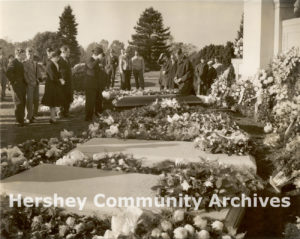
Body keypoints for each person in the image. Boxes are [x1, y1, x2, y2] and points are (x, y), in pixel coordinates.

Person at [41, 49, 64, 124]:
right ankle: (52, 118)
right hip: (51, 85)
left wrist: (60, 78)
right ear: (52, 57)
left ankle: (53, 118)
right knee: (52, 103)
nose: (58, 58)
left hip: (54, 84)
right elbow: (52, 76)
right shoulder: (50, 64)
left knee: (53, 102)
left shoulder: (55, 63)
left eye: (58, 57)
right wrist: (60, 81)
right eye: (57, 57)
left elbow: (58, 73)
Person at [6, 48, 27, 127]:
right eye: (23, 54)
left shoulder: (20, 63)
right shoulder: (13, 62)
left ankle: (21, 120)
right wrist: (14, 81)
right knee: (18, 102)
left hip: (22, 85)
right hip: (16, 86)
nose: (24, 55)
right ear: (19, 54)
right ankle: (19, 121)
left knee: (22, 102)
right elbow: (8, 73)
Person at [85, 47, 105, 121]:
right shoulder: (89, 59)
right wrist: (98, 59)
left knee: (99, 100)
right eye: (101, 55)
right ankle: (88, 117)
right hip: (90, 85)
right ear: (97, 54)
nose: (102, 57)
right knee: (90, 101)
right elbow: (91, 66)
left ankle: (98, 114)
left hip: (97, 84)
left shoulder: (97, 61)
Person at [23, 47, 42, 123]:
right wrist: (29, 82)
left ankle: (33, 115)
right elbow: (24, 74)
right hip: (29, 85)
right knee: (29, 101)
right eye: (28, 53)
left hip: (36, 84)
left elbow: (38, 73)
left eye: (31, 53)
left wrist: (38, 79)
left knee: (36, 100)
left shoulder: (35, 63)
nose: (30, 55)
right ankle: (28, 117)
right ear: (26, 54)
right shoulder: (24, 63)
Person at [58, 45, 73, 118]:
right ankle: (60, 112)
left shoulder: (67, 60)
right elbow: (57, 71)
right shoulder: (59, 60)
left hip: (68, 82)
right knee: (61, 97)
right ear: (63, 52)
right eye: (68, 52)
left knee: (67, 97)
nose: (69, 53)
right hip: (62, 82)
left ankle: (66, 112)